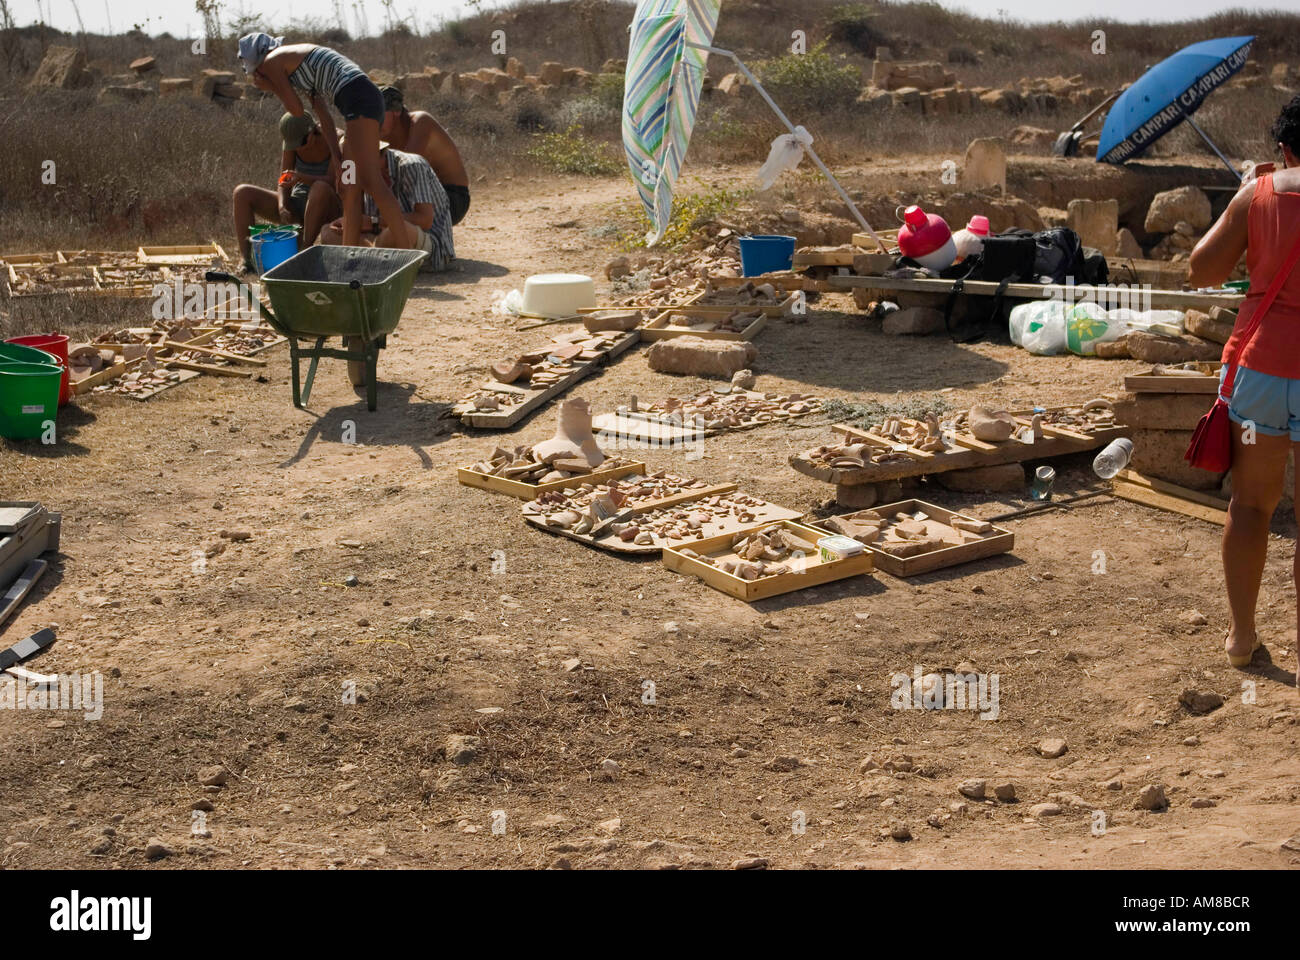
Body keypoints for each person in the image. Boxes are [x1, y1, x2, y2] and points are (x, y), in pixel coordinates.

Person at [1188, 93, 1300, 689]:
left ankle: (1241, 637)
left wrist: (1242, 201)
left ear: (1284, 148)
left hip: (1260, 373)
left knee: (1251, 505)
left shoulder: (1258, 194)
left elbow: (1201, 271)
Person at [236, 33, 409, 249]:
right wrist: (337, 159)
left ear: (258, 63)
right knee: (350, 186)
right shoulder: (296, 67)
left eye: (256, 74)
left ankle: (407, 252)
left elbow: (297, 111)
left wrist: (270, 85)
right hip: (361, 101)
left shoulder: (272, 62)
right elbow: (324, 117)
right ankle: (349, 254)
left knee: (371, 181)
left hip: (358, 101)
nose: (258, 77)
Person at [230, 112, 341, 273]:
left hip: (327, 208)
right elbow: (284, 180)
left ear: (311, 133)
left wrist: (302, 178)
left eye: (301, 143)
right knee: (242, 193)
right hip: (299, 204)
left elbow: (333, 181)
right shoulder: (293, 142)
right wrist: (282, 206)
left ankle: (304, 251)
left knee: (319, 188)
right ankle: (248, 260)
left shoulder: (334, 139)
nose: (298, 148)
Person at [319, 146, 455, 272]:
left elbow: (425, 220)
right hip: (380, 238)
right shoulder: (358, 172)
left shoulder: (412, 165)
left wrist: (373, 221)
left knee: (396, 231)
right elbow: (354, 211)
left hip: (426, 242)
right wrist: (349, 222)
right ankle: (375, 261)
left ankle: (368, 262)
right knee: (327, 233)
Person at [378, 85, 471, 225]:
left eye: (379, 114)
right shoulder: (384, 132)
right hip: (423, 194)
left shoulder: (421, 122)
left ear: (396, 111)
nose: (375, 120)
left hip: (453, 197)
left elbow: (407, 166)